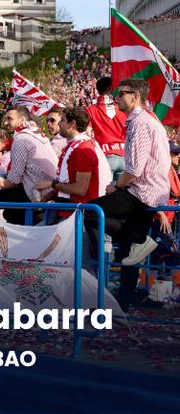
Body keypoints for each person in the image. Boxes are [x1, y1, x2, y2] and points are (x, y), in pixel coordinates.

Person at [84, 79, 171, 311]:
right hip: (149, 190)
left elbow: (134, 169)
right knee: (129, 253)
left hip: (141, 191)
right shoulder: (146, 119)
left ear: (136, 97)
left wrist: (116, 186)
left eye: (122, 93)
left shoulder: (140, 122)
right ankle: (124, 304)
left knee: (88, 212)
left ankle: (141, 241)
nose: (117, 98)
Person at [0, 107, 58, 224]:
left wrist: (2, 182)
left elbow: (14, 180)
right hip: (47, 190)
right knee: (10, 213)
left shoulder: (21, 139)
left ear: (21, 120)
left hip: (38, 193)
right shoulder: (37, 134)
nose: (5, 123)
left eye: (9, 119)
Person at [35, 107, 100, 214]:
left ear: (72, 124)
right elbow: (66, 181)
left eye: (62, 120)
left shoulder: (83, 149)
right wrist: (50, 195)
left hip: (76, 214)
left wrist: (52, 184)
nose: (59, 124)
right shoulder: (73, 146)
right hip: (65, 209)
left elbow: (80, 189)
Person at [86, 76, 128, 181]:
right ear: (110, 88)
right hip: (124, 156)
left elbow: (87, 133)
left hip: (105, 156)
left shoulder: (91, 109)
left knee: (104, 190)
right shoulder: (123, 108)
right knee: (119, 191)